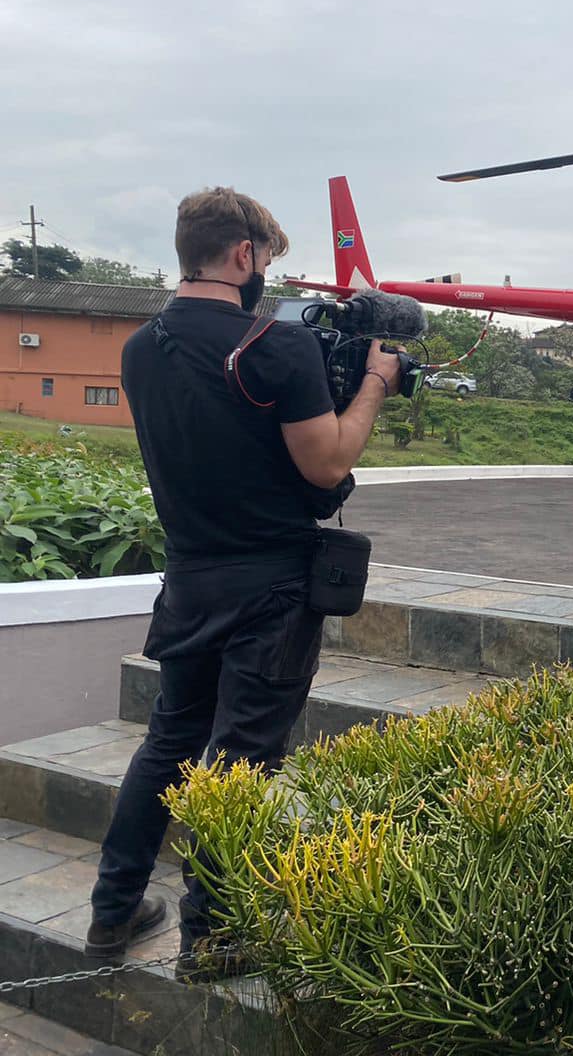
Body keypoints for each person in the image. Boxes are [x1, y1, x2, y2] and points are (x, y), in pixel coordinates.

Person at [84, 187, 402, 979]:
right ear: (243, 255)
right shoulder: (276, 347)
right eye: (266, 258)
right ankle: (212, 936)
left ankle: (112, 912)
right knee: (240, 764)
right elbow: (327, 462)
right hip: (270, 589)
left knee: (168, 745)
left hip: (189, 580)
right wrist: (373, 387)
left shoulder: (140, 347)